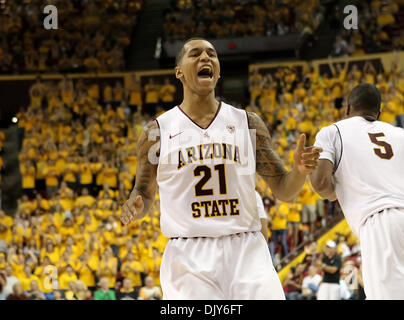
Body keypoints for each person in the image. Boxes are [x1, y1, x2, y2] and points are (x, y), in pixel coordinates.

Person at [120, 38, 322, 300]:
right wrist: (136, 206)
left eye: (211, 54)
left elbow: (284, 190)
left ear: (218, 69)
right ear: (178, 71)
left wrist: (298, 171)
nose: (205, 58)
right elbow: (144, 194)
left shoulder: (248, 123)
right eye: (195, 54)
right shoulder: (156, 132)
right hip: (189, 255)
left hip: (246, 248)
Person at [310, 83, 404, 299]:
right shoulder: (399, 134)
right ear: (379, 112)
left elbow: (322, 184)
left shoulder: (332, 131)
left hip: (380, 222)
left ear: (347, 109)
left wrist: (336, 189)